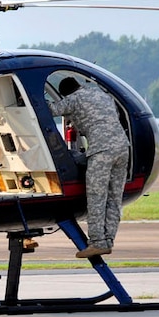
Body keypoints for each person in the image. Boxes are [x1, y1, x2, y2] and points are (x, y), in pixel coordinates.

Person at [48, 77, 130, 258]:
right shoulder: (100, 95)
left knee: (96, 196)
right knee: (114, 198)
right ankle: (108, 240)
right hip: (122, 148)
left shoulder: (73, 99)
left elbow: (49, 111)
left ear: (65, 93)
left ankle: (97, 243)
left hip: (101, 150)